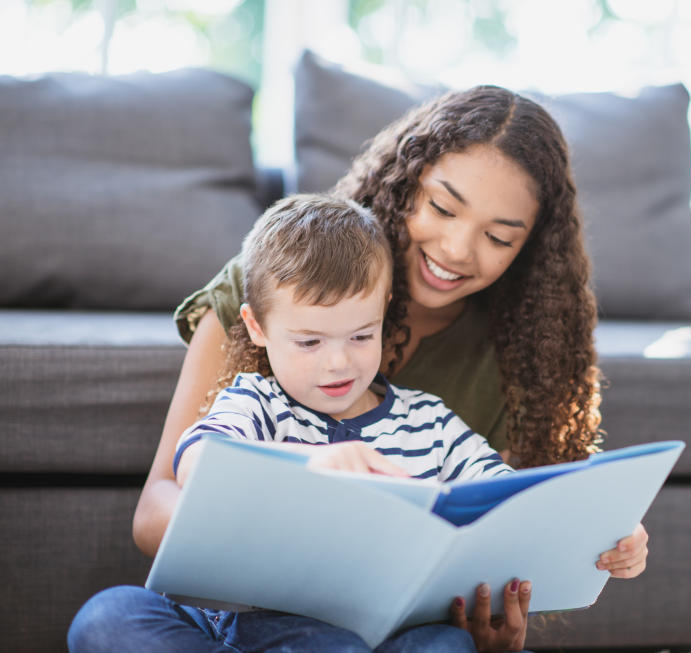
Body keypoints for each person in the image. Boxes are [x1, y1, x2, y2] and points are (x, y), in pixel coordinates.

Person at [133, 85, 649, 652]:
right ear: (404, 186)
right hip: (258, 612)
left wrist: (596, 529)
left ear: (529, 248)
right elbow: (164, 500)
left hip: (386, 630)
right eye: (442, 208)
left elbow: (507, 509)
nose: (456, 248)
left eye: (498, 237)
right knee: (113, 619)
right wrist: (285, 510)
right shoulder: (281, 281)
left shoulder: (480, 377)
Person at [69, 195, 515, 652]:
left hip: (379, 633)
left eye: (362, 335)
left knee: (444, 646)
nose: (338, 362)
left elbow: (508, 496)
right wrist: (311, 462)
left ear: (385, 309)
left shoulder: (431, 422)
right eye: (309, 342)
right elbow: (198, 460)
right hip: (245, 622)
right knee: (107, 619)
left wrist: (580, 536)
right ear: (258, 327)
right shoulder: (255, 402)